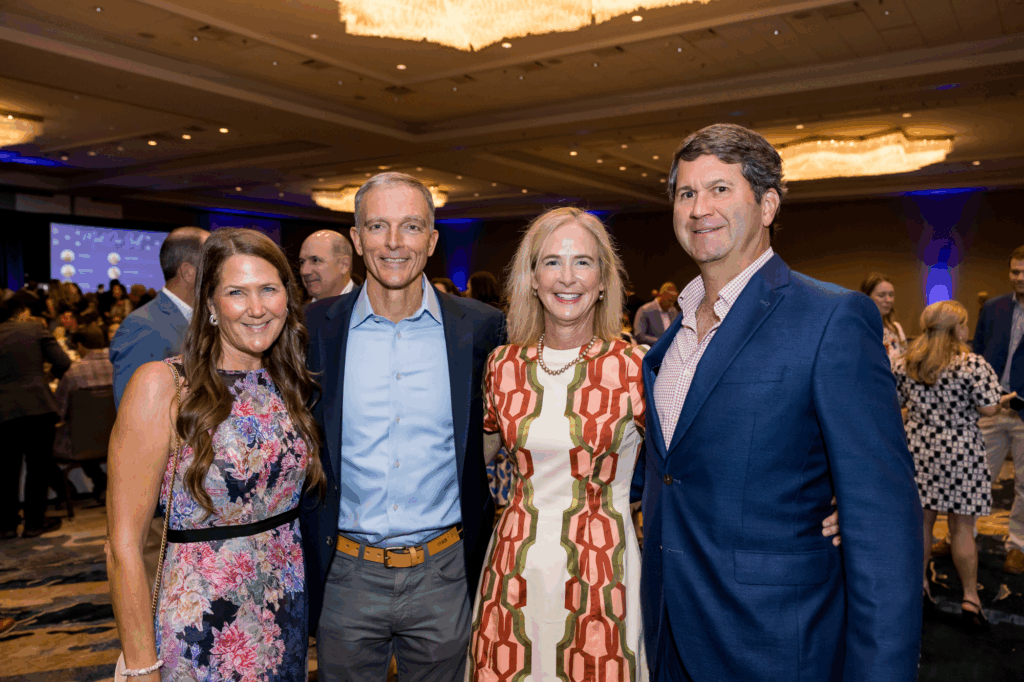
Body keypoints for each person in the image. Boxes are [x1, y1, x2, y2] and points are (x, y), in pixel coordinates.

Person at [641, 123, 922, 681]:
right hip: (671, 627)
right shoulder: (669, 342)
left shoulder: (831, 319)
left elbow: (883, 523)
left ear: (768, 204)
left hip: (775, 640)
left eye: (721, 189)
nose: (700, 208)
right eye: (686, 193)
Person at [300, 172, 505, 682]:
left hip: (445, 570)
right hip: (346, 569)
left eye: (411, 226)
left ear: (432, 241)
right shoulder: (313, 328)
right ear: (356, 238)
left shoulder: (480, 328)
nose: (394, 243)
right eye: (378, 226)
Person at [106, 228, 324, 681]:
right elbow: (122, 544)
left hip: (284, 610)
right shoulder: (164, 386)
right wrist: (142, 666)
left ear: (288, 296)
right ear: (209, 304)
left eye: (269, 289)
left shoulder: (291, 382)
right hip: (202, 624)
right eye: (237, 293)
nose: (257, 308)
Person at [895, 300, 1018, 628]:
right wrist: (1003, 400)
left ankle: (919, 586)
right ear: (954, 328)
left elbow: (896, 403)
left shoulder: (908, 362)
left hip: (919, 449)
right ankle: (970, 598)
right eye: (964, 324)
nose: (968, 330)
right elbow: (989, 410)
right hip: (961, 451)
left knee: (921, 524)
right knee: (961, 527)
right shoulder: (972, 364)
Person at [110, 227, 209, 408]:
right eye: (213, 265)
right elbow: (133, 415)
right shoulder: (142, 326)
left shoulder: (205, 318)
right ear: (188, 273)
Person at [0, 298, 71, 538]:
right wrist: (45, 377)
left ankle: (7, 525)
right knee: (37, 467)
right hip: (37, 406)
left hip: (3, 411)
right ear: (25, 311)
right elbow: (64, 362)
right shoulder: (35, 328)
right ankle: (33, 523)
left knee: (7, 470)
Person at [973, 244, 1024, 574]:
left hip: (1023, 412)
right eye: (1015, 271)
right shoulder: (994, 308)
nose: (1019, 277)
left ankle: (1018, 544)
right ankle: (965, 535)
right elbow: (977, 354)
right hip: (991, 408)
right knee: (975, 476)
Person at [52, 325, 114, 500]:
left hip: (80, 442)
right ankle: (101, 483)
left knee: (39, 445)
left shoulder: (73, 374)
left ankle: (68, 490)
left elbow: (59, 412)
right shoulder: (117, 367)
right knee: (90, 428)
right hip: (116, 436)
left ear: (80, 346)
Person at [861, 272, 907, 368]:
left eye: (891, 295)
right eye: (882, 295)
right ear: (867, 298)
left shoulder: (896, 328)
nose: (888, 300)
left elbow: (904, 359)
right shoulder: (860, 328)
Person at [298, 229, 355, 302]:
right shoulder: (301, 312)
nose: (304, 271)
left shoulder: (367, 308)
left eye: (315, 260)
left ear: (344, 265)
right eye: (302, 262)